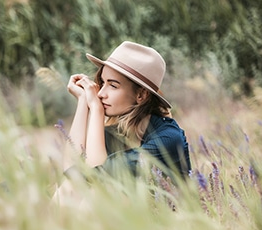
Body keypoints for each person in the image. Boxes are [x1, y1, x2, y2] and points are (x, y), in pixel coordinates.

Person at [61, 41, 191, 182]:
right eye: (103, 83)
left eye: (113, 85)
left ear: (141, 95)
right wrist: (82, 100)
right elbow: (70, 172)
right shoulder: (114, 134)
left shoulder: (168, 139)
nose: (101, 94)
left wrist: (96, 109)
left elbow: (96, 182)